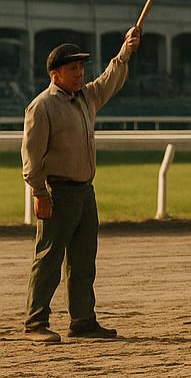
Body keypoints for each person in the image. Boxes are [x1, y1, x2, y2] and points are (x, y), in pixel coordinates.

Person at [21, 29, 141, 344]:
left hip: (85, 192)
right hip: (57, 193)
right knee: (49, 257)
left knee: (84, 260)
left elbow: (109, 80)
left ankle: (83, 321)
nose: (80, 73)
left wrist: (125, 51)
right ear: (55, 73)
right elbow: (31, 156)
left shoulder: (86, 97)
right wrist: (38, 192)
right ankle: (36, 322)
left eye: (81, 68)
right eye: (73, 68)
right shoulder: (42, 106)